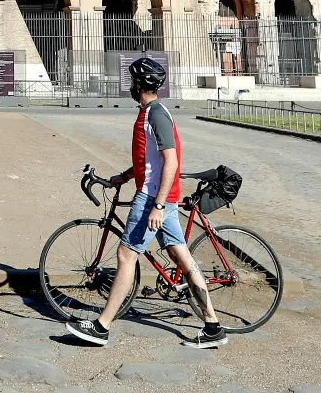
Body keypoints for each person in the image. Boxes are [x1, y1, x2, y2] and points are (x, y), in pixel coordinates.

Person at [65, 56, 226, 349]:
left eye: (132, 80)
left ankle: (101, 326)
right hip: (159, 197)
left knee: (126, 257)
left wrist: (159, 205)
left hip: (154, 199)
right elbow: (148, 160)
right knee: (183, 258)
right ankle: (213, 327)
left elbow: (170, 161)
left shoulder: (156, 116)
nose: (130, 85)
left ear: (139, 84)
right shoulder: (149, 113)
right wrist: (124, 177)